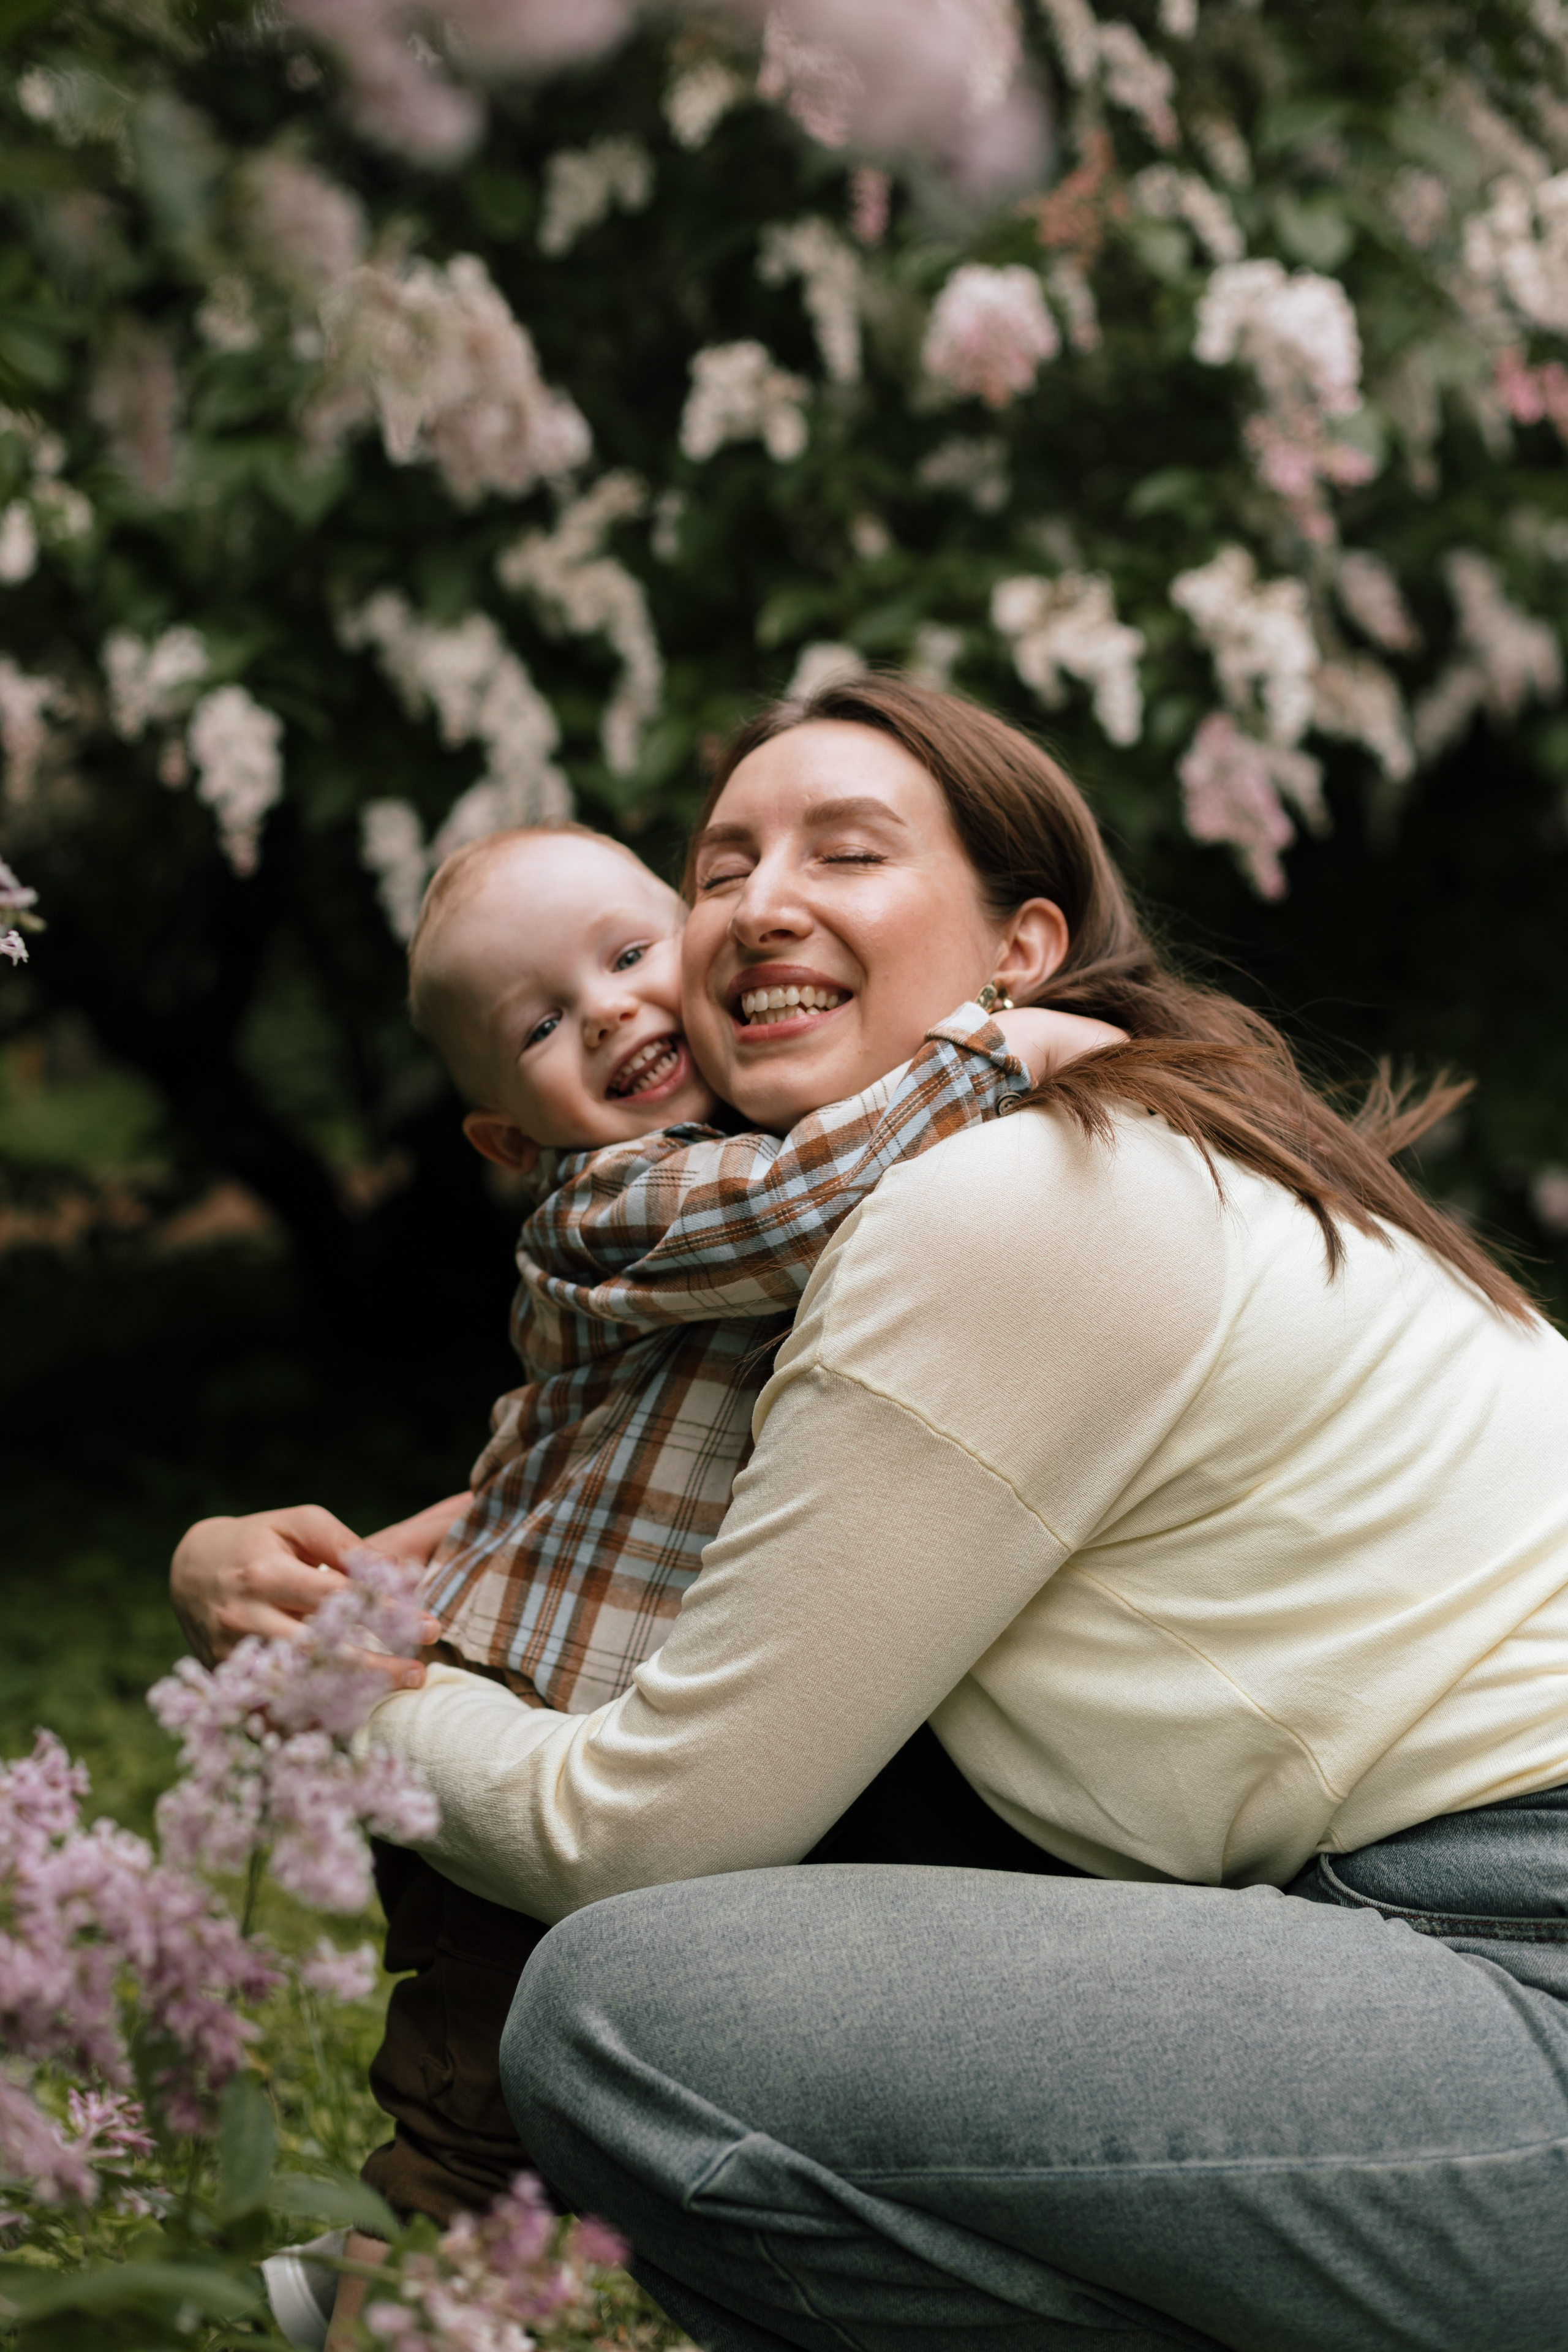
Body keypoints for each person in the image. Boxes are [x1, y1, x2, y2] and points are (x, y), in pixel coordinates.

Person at [174, 678, 1568, 2350]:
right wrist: (286, 1567)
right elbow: (649, 1507)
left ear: (1020, 952)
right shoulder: (1096, 1146)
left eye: (847, 854)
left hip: (1517, 1964)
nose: (764, 903)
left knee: (626, 2024)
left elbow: (634, 1840)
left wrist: (348, 1693)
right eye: (717, 870)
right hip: (1423, 1940)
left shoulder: (1008, 1204)